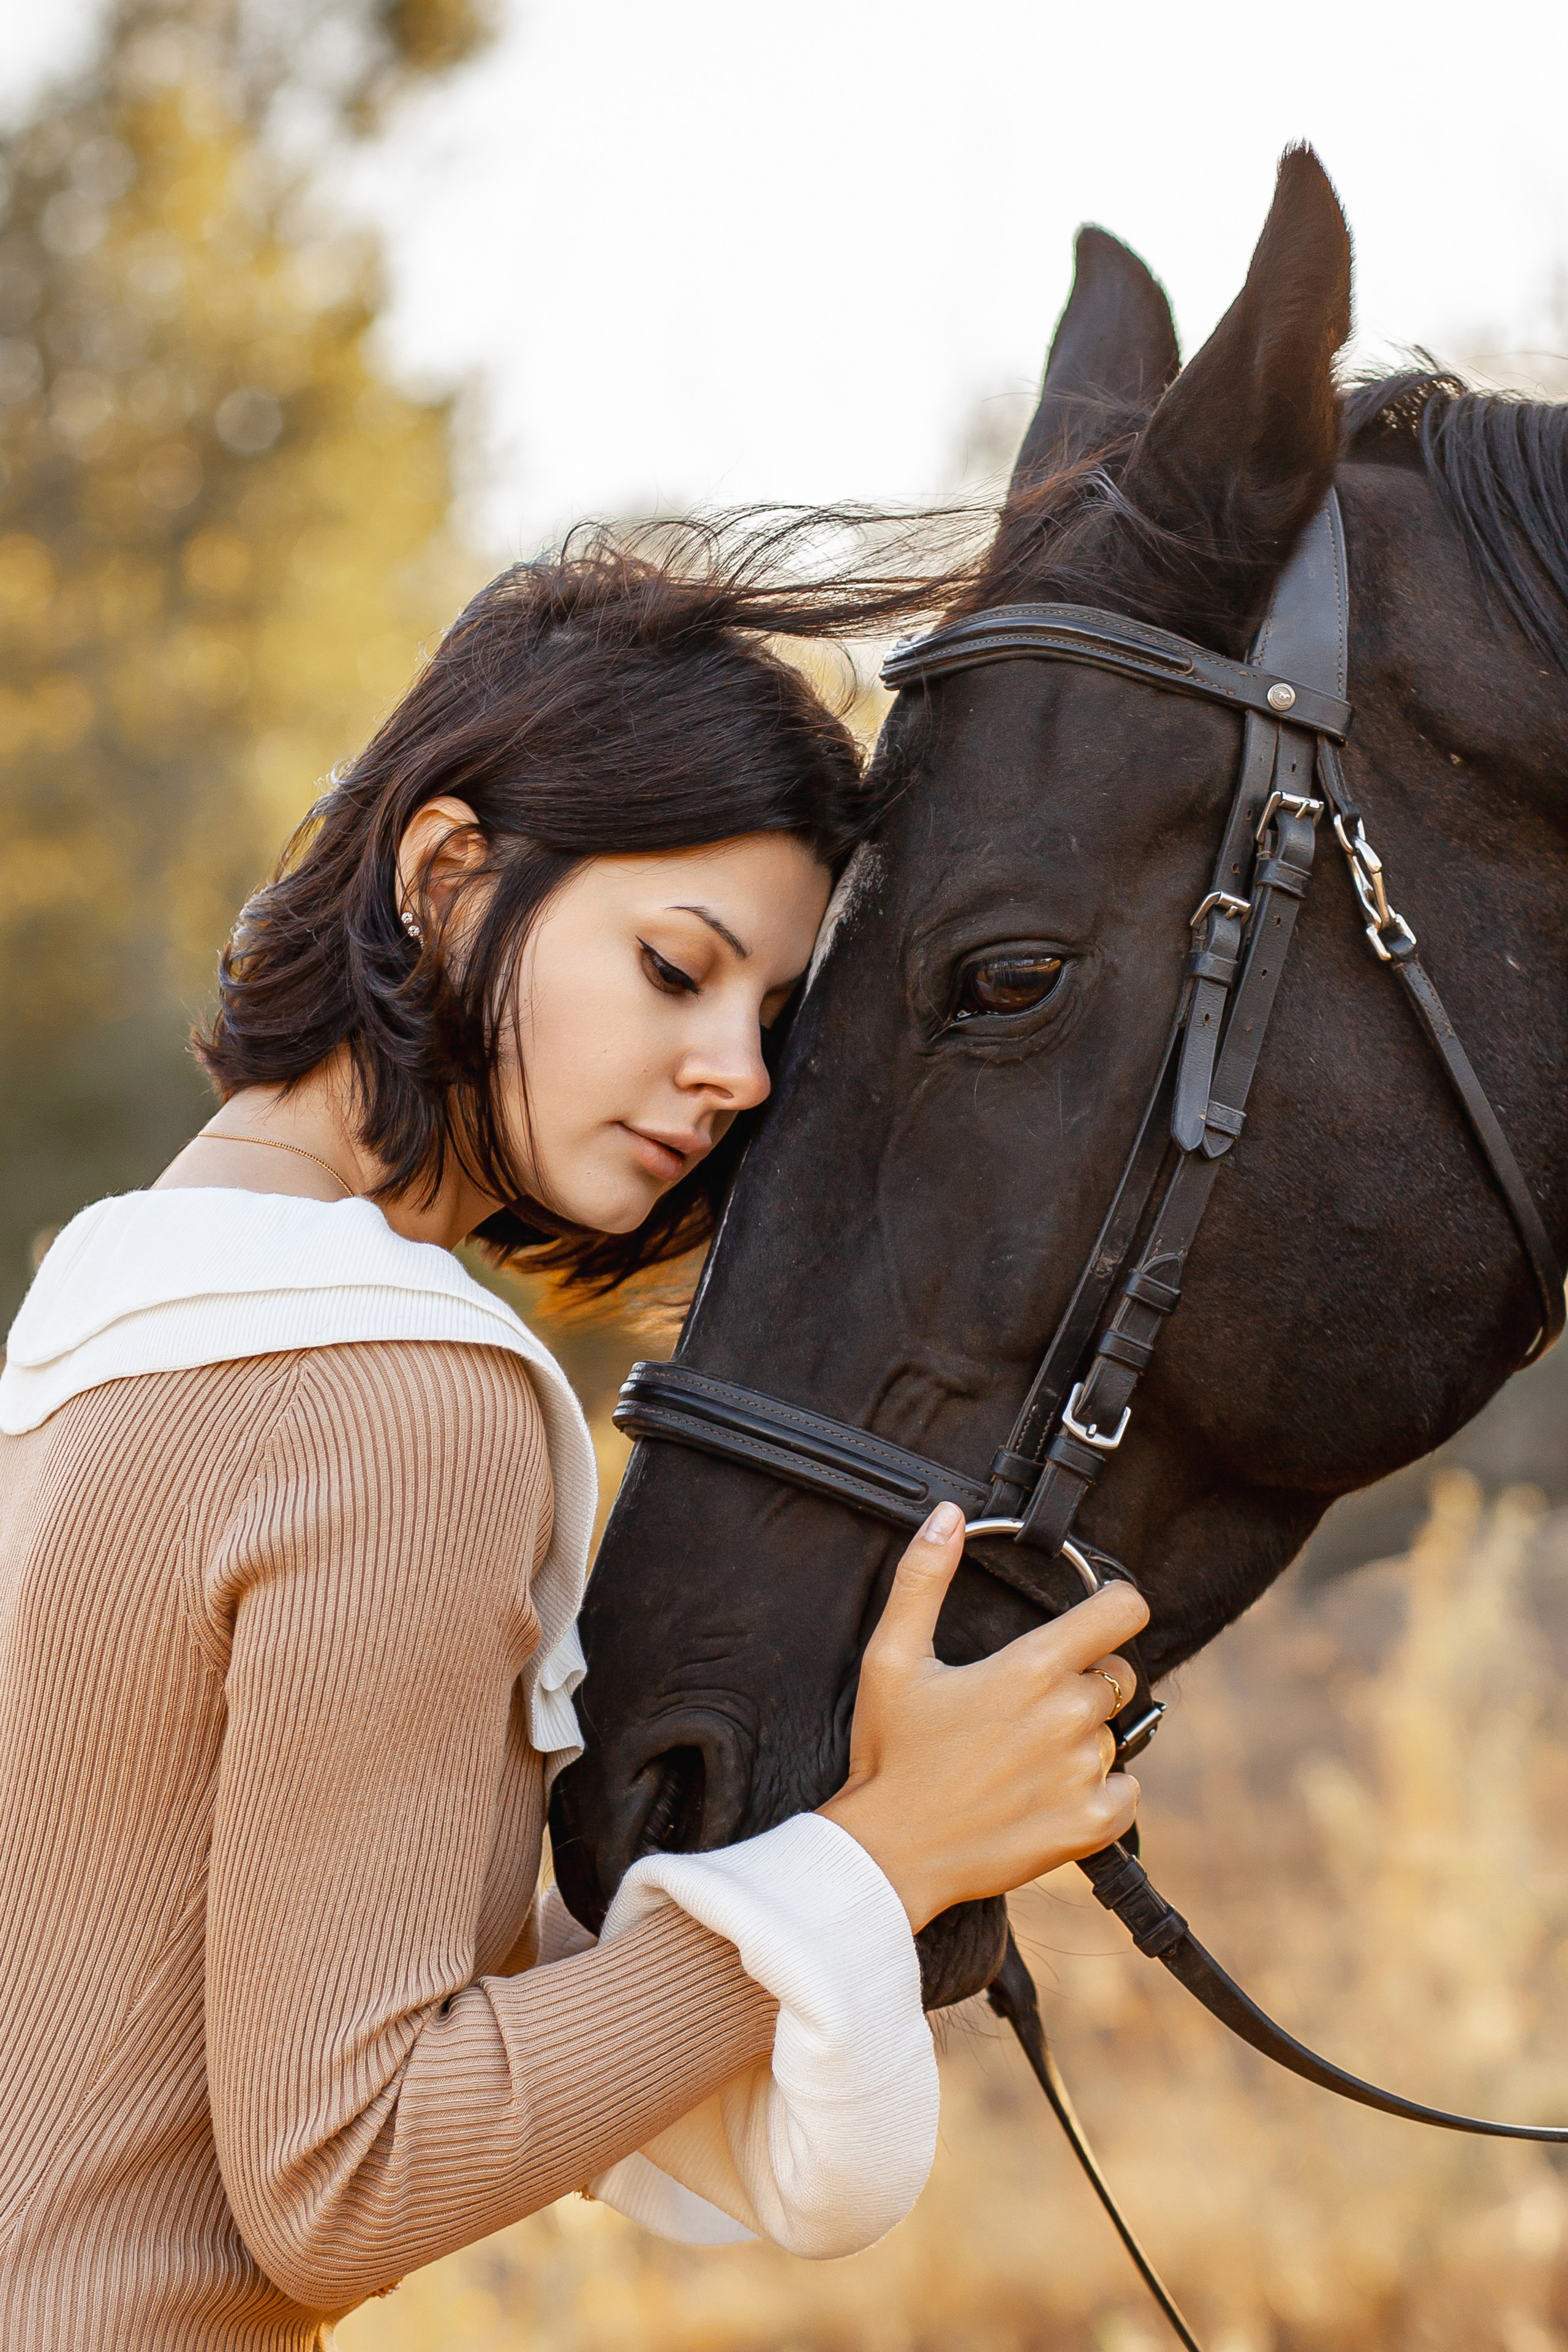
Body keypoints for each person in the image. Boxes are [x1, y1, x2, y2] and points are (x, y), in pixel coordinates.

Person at [0, 525, 1146, 2351]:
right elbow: (347, 2171)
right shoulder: (396, 1396)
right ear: (448, 872)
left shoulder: (113, 1325)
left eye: (773, 1017)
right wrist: (884, 1851)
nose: (743, 1074)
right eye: (677, 968)